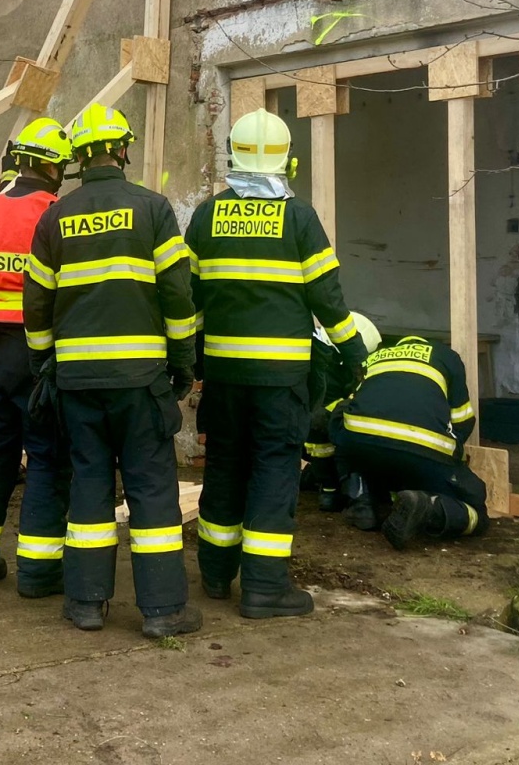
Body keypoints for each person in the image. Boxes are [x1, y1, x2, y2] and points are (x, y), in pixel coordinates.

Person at [183, 109, 372, 618]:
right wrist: (356, 352)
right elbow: (328, 300)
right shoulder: (299, 218)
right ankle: (265, 586)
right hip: (281, 379)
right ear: (288, 161)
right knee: (273, 470)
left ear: (231, 157)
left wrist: (186, 359)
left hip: (223, 376)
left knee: (224, 466)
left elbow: (189, 299)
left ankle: (217, 575)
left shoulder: (206, 216)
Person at [23, 103, 201, 640]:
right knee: (151, 488)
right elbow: (176, 292)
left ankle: (84, 604)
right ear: (123, 149)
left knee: (89, 483)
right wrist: (182, 362)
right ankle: (163, 610)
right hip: (140, 380)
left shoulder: (54, 216)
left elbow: (37, 303)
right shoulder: (152, 209)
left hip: (77, 382)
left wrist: (43, 364)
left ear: (77, 157)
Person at [0, 118, 73, 595]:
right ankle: (40, 573)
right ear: (51, 166)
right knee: (46, 458)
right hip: (39, 350)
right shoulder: (55, 212)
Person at [334, 334, 487, 549]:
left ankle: (362, 500)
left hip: (362, 447)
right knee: (477, 509)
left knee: (340, 419)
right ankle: (429, 508)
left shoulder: (375, 357)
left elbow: (351, 405)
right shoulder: (446, 356)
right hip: (421, 452)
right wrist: (452, 461)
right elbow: (462, 419)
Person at [303, 315, 380, 511]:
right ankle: (339, 489)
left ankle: (327, 487)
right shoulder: (327, 372)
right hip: (318, 436)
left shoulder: (324, 365)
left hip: (310, 438)